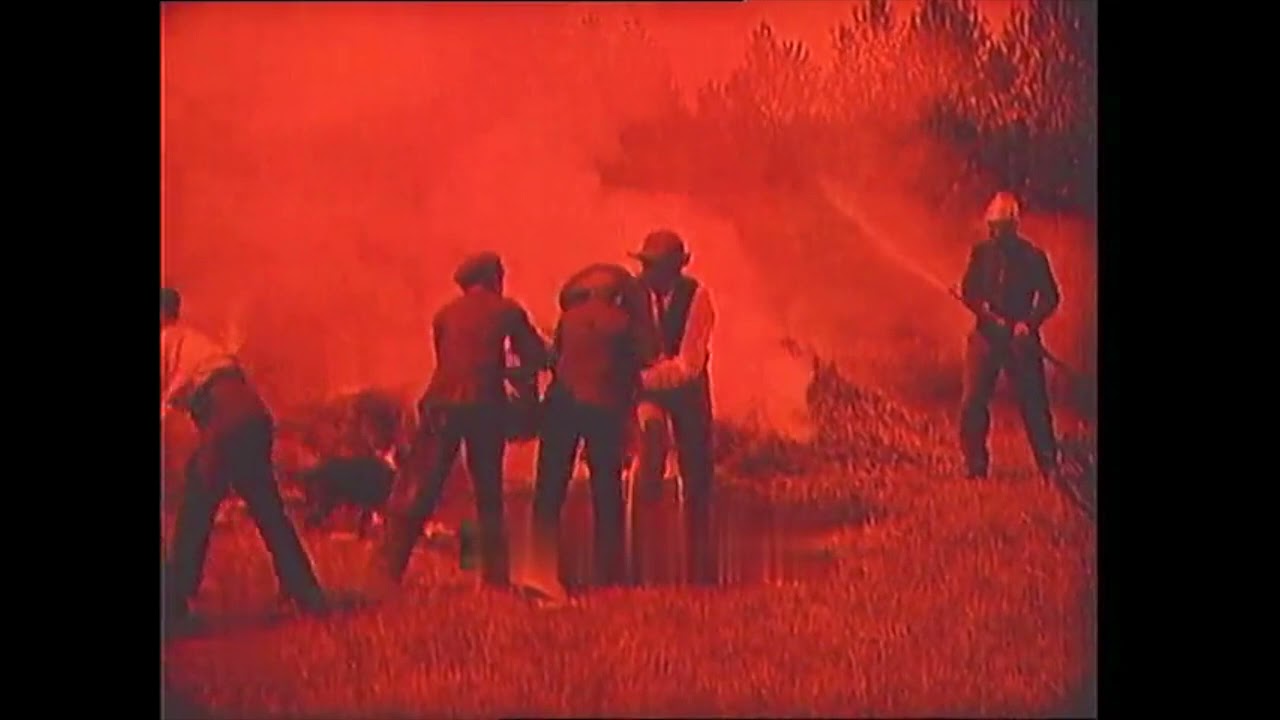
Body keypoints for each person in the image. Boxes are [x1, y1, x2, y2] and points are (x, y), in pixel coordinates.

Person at [369, 252, 548, 590]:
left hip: (440, 404)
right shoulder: (508, 310)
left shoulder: (444, 315)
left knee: (419, 488)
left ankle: (388, 571)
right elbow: (535, 356)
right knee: (488, 493)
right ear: (494, 278)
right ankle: (494, 579)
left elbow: (449, 363)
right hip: (484, 407)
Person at [161, 287, 329, 624]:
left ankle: (174, 604)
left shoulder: (166, 339)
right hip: (252, 418)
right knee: (269, 510)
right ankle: (306, 593)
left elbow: (171, 398)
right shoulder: (196, 340)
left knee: (196, 506)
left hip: (226, 422)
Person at [525, 264, 658, 598]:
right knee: (606, 493)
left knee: (549, 492)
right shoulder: (623, 323)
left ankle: (539, 573)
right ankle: (608, 577)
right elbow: (647, 357)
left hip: (561, 407)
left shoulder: (569, 320)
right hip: (603, 410)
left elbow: (556, 359)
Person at [628, 230, 717, 584]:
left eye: (658, 267)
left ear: (675, 269)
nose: (651, 274)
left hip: (686, 391)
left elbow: (688, 365)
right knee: (647, 451)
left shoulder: (698, 298)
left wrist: (638, 379)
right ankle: (639, 551)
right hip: (646, 385)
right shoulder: (632, 295)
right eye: (647, 266)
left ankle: (699, 564)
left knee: (696, 469)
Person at [958, 192, 1062, 480]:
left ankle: (1049, 467)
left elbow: (1051, 297)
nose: (999, 234)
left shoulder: (1033, 257)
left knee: (1034, 405)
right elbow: (968, 293)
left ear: (1014, 227)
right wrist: (987, 313)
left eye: (1004, 228)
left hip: (1021, 342)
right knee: (972, 403)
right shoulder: (981, 253)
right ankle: (975, 469)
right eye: (995, 228)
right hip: (986, 338)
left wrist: (1028, 324)